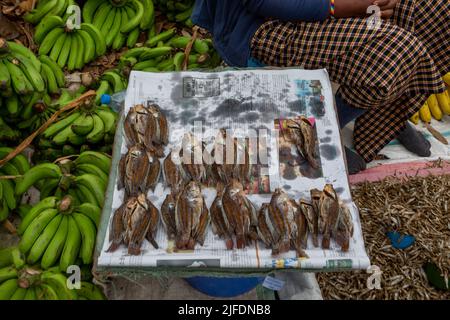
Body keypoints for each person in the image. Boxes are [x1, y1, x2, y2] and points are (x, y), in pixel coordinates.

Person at [191, 0, 449, 174]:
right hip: (263, 23)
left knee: (437, 10)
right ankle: (315, 131)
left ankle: (383, 113)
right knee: (397, 49)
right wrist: (337, 7)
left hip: (330, 8)